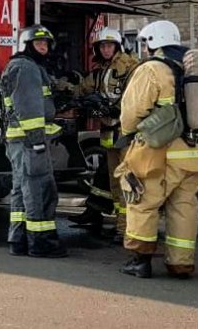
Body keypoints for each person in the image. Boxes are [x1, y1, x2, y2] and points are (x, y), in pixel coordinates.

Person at [116, 19, 198, 279]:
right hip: (191, 153)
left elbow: (132, 111)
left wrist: (127, 133)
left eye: (145, 43)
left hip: (158, 152)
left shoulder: (152, 69)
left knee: (143, 202)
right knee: (184, 208)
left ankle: (140, 261)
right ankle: (181, 264)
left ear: (154, 42)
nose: (143, 48)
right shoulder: (188, 69)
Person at [0, 24, 67, 258]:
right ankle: (41, 242)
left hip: (22, 141)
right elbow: (29, 110)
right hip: (30, 142)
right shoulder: (26, 68)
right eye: (38, 43)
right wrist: (37, 141)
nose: (43, 47)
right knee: (39, 189)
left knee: (21, 189)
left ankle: (17, 239)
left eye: (46, 43)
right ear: (27, 45)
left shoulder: (25, 66)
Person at [70, 26, 139, 238]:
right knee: (114, 182)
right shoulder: (100, 71)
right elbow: (81, 89)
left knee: (127, 182)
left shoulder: (130, 66)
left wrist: (115, 108)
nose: (106, 49)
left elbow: (137, 95)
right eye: (102, 46)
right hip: (110, 136)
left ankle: (127, 229)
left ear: (117, 46)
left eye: (109, 45)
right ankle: (121, 226)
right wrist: (64, 85)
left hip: (126, 134)